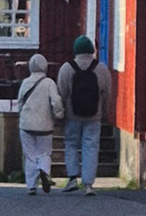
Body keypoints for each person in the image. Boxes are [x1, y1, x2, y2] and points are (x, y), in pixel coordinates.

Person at [58, 35, 113, 194]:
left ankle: (72, 178)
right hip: (94, 115)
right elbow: (107, 94)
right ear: (92, 50)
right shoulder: (101, 69)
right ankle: (88, 184)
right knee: (91, 147)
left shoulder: (67, 68)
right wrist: (105, 112)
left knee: (71, 144)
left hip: (72, 114)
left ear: (75, 50)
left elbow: (61, 92)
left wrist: (61, 114)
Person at [16, 53, 62, 195]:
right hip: (45, 125)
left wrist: (21, 115)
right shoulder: (49, 83)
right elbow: (56, 102)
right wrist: (59, 114)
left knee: (30, 155)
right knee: (44, 153)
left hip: (26, 124)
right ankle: (44, 170)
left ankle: (31, 186)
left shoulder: (25, 82)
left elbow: (20, 102)